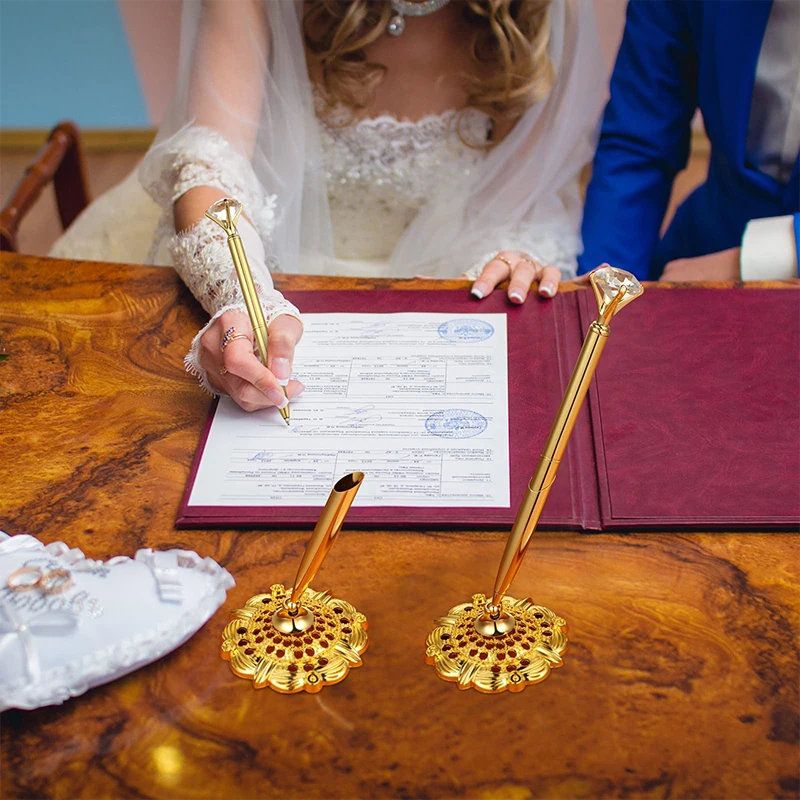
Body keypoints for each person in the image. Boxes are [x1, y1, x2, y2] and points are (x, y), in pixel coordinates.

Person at [51, 0, 606, 412]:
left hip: (433, 275)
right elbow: (208, 169)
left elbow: (517, 203)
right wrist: (242, 296)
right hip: (256, 252)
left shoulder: (535, 16)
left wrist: (505, 261)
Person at [578, 0, 800, 282]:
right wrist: (605, 292)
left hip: (715, 270)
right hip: (698, 258)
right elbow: (638, 142)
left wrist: (758, 258)